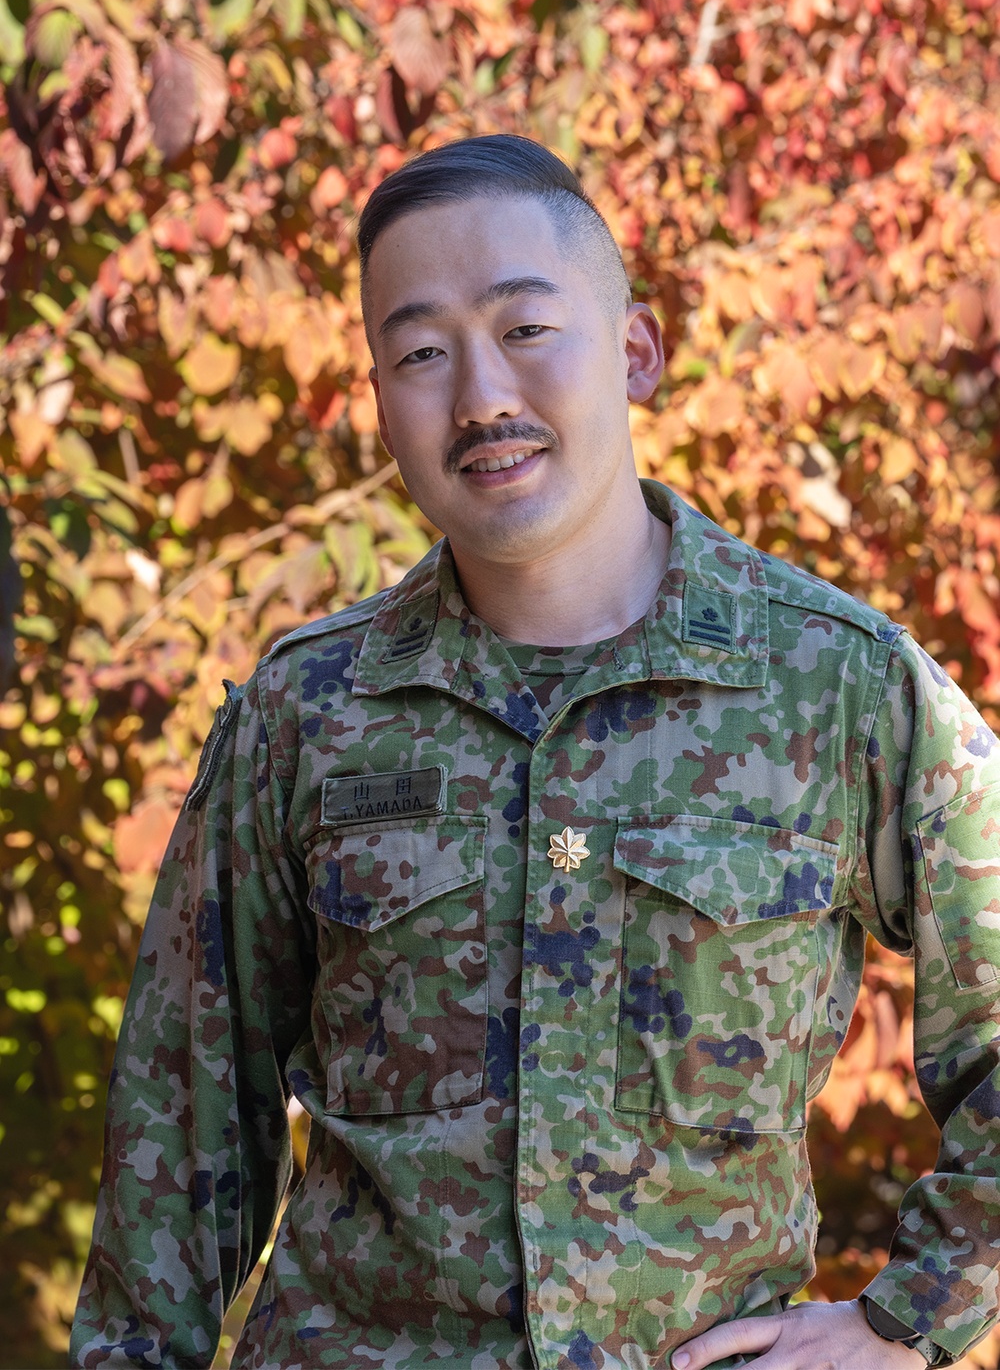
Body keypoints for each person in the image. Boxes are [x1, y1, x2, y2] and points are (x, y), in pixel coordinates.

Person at [71, 135, 1000, 1370]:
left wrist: (907, 1322)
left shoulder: (840, 687)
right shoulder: (307, 714)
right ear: (380, 400)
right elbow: (178, 1141)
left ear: (634, 351)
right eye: (419, 353)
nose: (479, 397)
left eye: (525, 328)